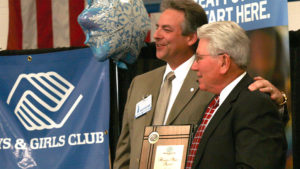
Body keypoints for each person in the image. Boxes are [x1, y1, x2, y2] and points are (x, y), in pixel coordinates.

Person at [113, 0, 287, 168]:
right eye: (157, 27)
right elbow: (125, 151)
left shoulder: (215, 88)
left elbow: (256, 133)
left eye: (166, 29)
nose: (156, 35)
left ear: (190, 37)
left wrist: (279, 104)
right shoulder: (140, 83)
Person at [187, 21, 287, 169]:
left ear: (224, 62)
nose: (194, 66)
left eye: (199, 58)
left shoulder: (254, 105)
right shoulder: (217, 102)